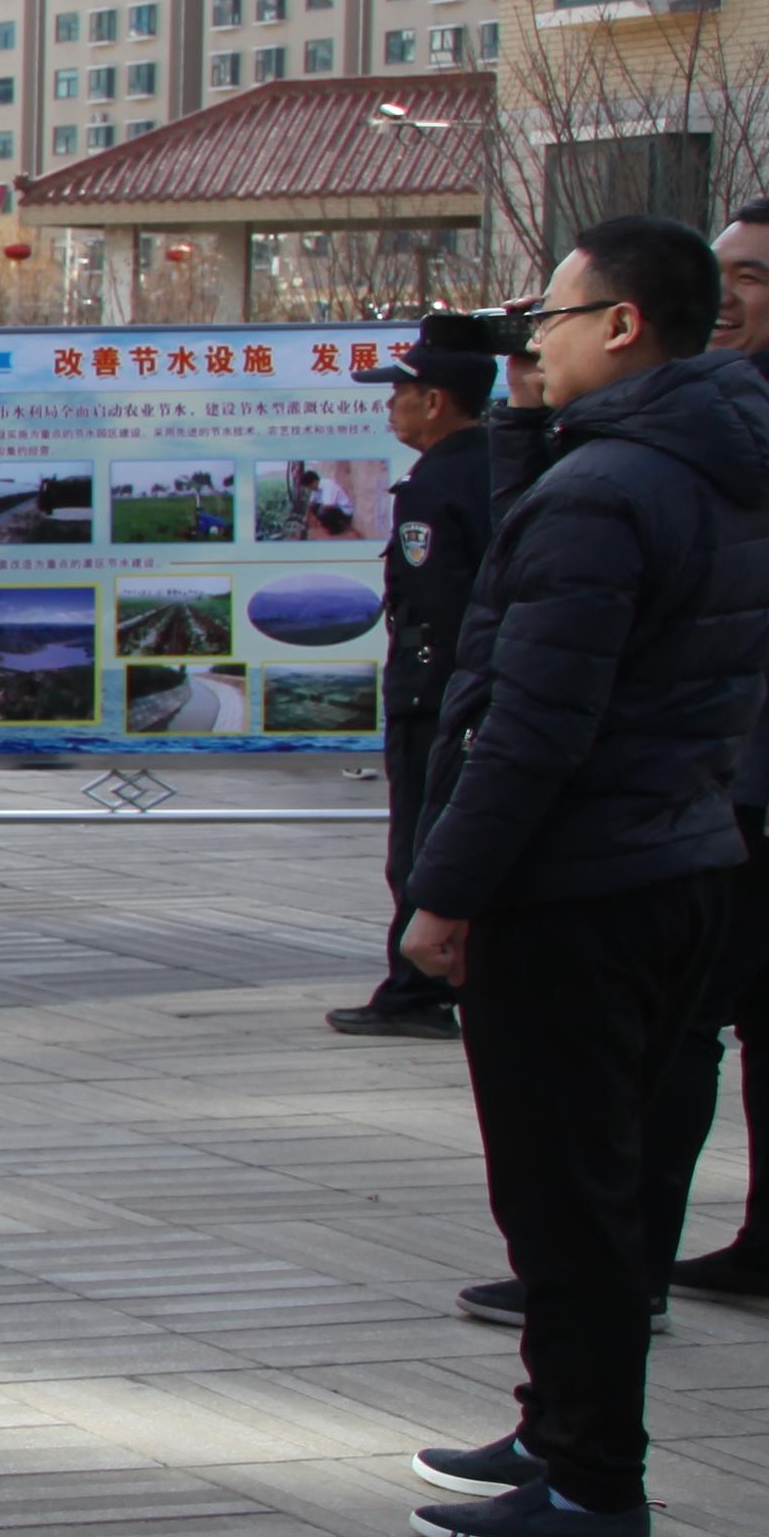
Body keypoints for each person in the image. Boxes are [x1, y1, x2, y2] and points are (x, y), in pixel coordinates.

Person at [401, 223, 769, 1537]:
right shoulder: (715, 463)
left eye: (552, 321)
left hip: (576, 883)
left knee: (565, 1191)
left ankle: (590, 1480)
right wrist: (530, 431)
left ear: (624, 326)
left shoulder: (610, 490)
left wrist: (443, 895)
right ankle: (561, 1427)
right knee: (602, 1180)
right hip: (676, 855)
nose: (531, 345)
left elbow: (533, 720)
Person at [651, 200, 769, 1305]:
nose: (727, 297)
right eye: (720, 273)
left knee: (674, 1013)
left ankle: (615, 1270)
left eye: (753, 278)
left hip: (768, 778)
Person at [336, 320, 504, 1041]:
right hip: (479, 684)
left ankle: (416, 989)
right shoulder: (501, 464)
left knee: (420, 842)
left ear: (436, 402)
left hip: (434, 688)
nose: (389, 406)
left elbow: (435, 601)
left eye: (400, 393)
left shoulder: (435, 485)